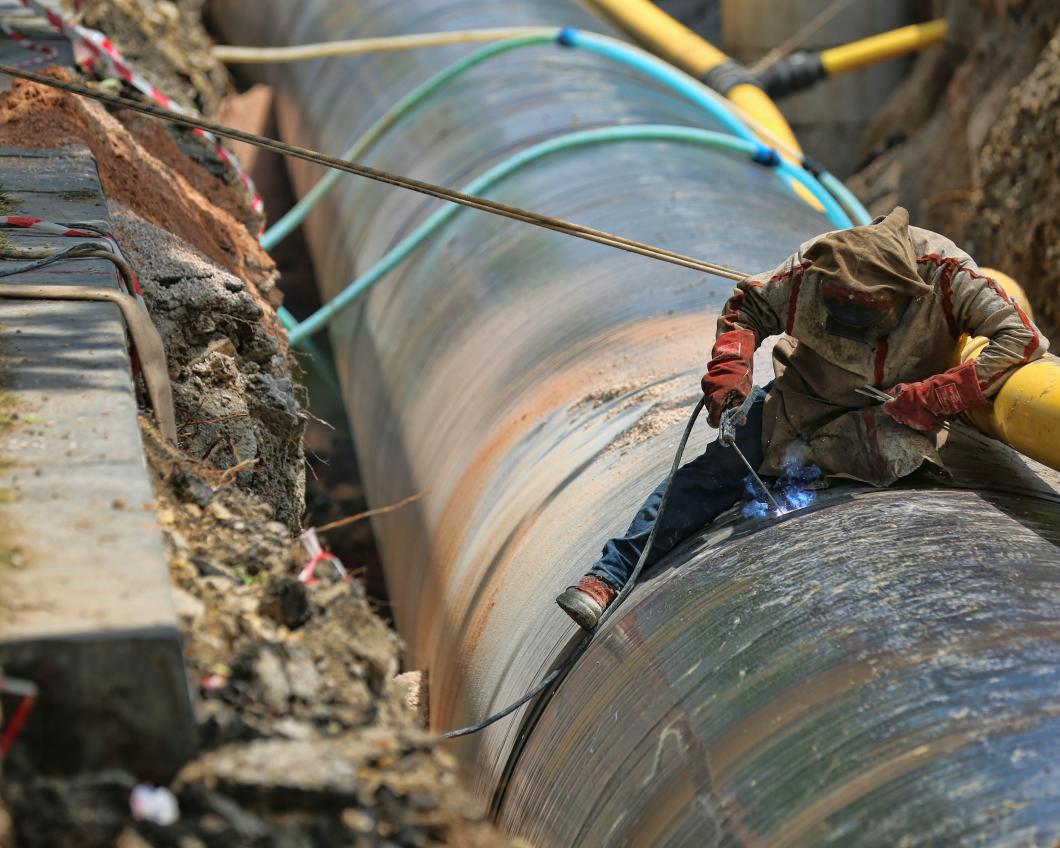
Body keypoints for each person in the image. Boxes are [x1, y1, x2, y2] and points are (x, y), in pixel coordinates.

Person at [556, 207, 1048, 630]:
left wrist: (939, 395)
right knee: (711, 475)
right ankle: (610, 575)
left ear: (904, 294)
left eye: (866, 311)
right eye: (840, 306)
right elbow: (746, 308)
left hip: (892, 420)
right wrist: (731, 369)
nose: (849, 320)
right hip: (801, 402)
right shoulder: (813, 265)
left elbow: (1022, 339)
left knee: (917, 501)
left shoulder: (945, 273)